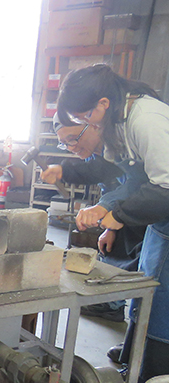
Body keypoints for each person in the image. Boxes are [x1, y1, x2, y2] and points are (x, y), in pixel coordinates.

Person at [55, 63, 169, 383]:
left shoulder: (146, 120)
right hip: (162, 223)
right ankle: (133, 356)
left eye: (84, 118)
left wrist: (118, 217)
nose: (85, 125)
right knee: (145, 285)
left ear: (102, 103)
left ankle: (150, 379)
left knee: (162, 300)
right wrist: (107, 212)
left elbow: (164, 187)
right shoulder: (120, 119)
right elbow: (135, 180)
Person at [42, 115, 146, 329]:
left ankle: (147, 340)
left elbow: (138, 183)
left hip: (154, 206)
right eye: (64, 143)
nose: (71, 147)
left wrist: (104, 207)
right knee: (112, 246)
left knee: (150, 277)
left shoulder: (124, 143)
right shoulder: (96, 154)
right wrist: (110, 228)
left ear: (94, 125)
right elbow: (108, 185)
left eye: (73, 138)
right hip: (130, 208)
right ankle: (113, 306)